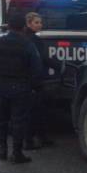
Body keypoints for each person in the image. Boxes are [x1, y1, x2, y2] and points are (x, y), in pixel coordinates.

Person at [0, 13, 43, 164]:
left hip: (1, 87)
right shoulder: (28, 45)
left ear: (8, 27)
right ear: (23, 27)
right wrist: (32, 86)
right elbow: (37, 69)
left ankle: (2, 149)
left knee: (1, 120)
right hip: (21, 88)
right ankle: (17, 153)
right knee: (18, 121)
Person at [23, 11, 60, 149]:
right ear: (28, 23)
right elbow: (42, 58)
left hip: (27, 79)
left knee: (36, 110)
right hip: (34, 79)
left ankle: (39, 137)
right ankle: (31, 140)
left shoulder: (26, 37)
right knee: (35, 110)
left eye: (40, 22)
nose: (40, 25)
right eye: (36, 22)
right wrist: (59, 66)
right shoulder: (33, 40)